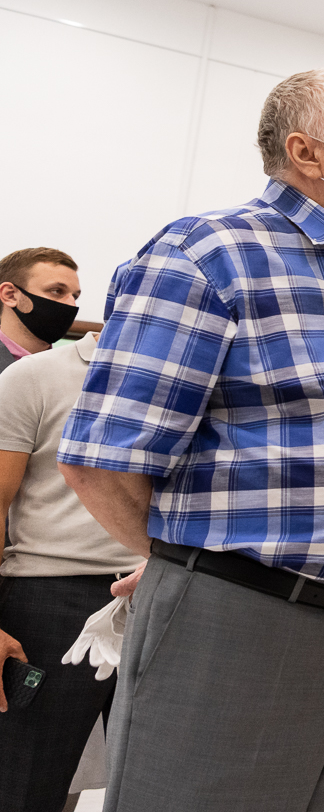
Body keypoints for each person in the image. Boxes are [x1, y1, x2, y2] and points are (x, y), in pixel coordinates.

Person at [57, 68, 324, 812]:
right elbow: (103, 462)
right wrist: (186, 566)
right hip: (241, 621)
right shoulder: (208, 252)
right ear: (306, 152)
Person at [0, 300, 145, 812]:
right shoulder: (35, 375)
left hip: (163, 587)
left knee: (158, 785)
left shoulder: (198, 382)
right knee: (27, 786)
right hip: (50, 595)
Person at [0, 247, 82, 374]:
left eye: (75, 296)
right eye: (56, 291)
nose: (72, 304)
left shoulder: (74, 372)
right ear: (10, 295)